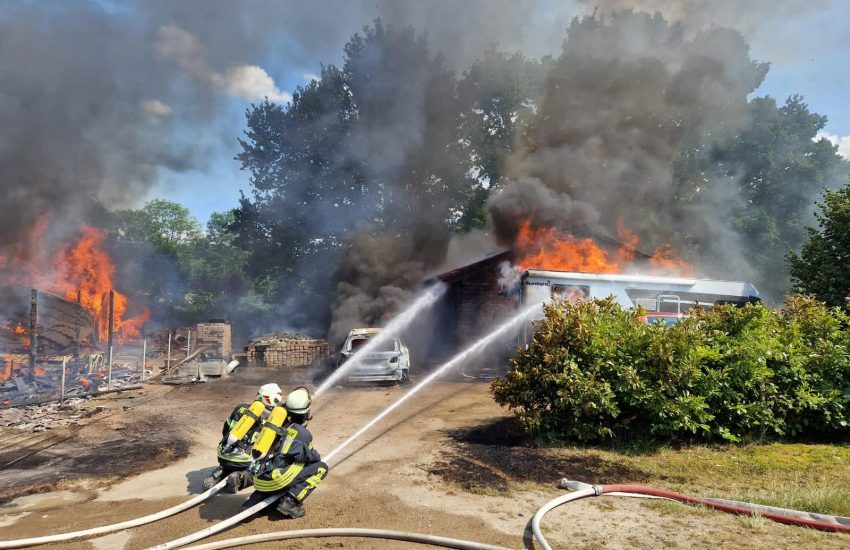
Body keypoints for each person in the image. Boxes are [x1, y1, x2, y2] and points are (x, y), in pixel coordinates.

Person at [242, 386, 328, 518]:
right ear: (306, 414)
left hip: (258, 479)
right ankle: (289, 502)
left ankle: (255, 499)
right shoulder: (301, 433)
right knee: (320, 468)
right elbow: (312, 458)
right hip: (275, 481)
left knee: (279, 462)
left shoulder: (273, 424)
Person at [202, 383, 283, 493]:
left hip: (223, 454)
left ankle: (218, 473)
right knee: (263, 467)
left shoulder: (240, 408)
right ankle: (240, 479)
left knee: (230, 463)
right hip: (245, 461)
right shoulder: (272, 419)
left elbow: (225, 430)